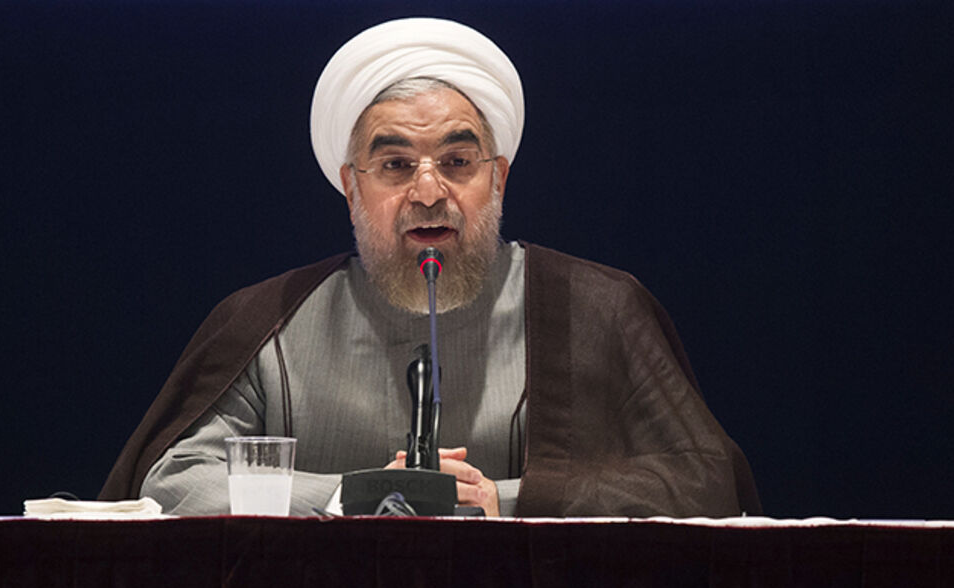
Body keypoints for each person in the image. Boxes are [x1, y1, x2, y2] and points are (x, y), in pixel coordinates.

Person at [98, 17, 759, 518]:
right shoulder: (268, 321)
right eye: (394, 165)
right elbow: (173, 480)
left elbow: (705, 480)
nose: (428, 191)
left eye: (457, 161)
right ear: (350, 186)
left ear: (497, 178)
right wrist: (357, 496)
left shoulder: (596, 306)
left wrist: (501, 497)